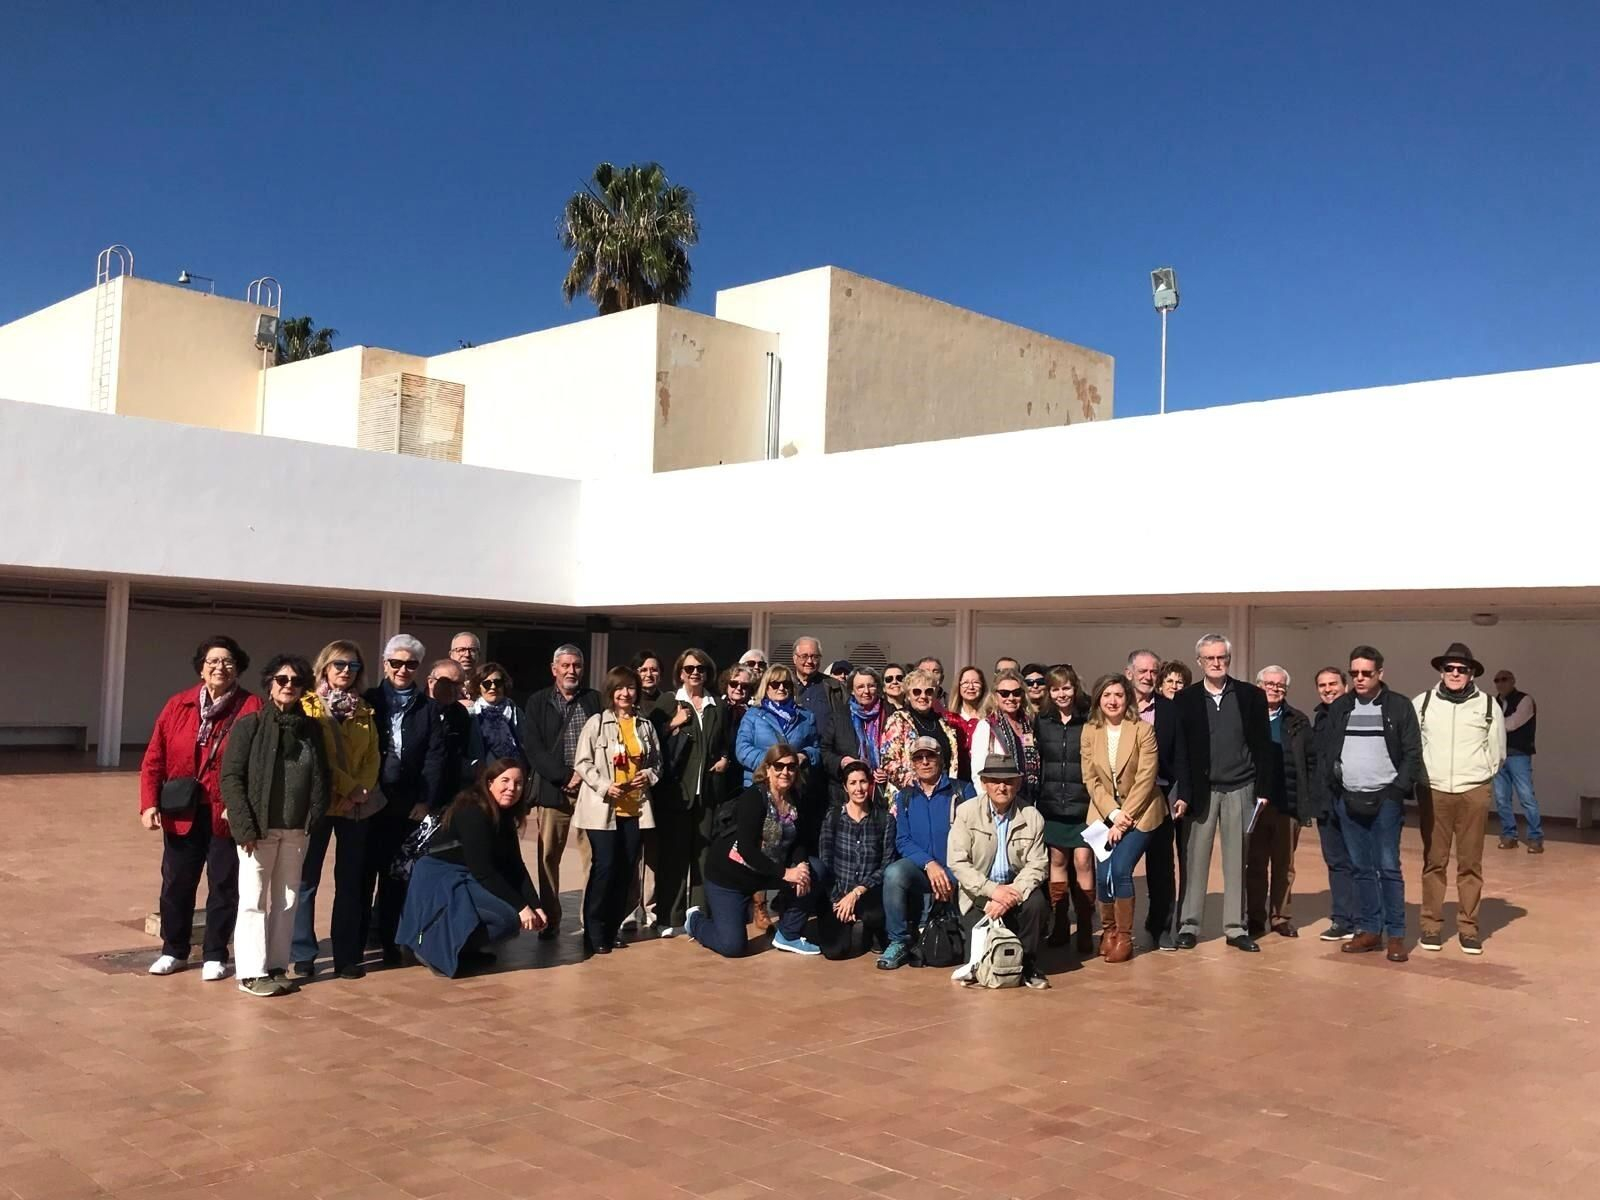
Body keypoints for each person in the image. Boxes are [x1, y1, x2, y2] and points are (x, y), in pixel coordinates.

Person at [140, 635, 262, 980]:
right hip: (182, 811)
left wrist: (242, 806)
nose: (219, 667)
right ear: (201, 668)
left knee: (223, 884)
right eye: (213, 661)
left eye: (227, 661)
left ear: (237, 667)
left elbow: (259, 764)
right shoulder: (178, 705)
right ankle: (173, 950)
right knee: (176, 882)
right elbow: (154, 757)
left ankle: (214, 954)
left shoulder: (252, 706)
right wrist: (149, 803)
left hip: (224, 813)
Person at [220, 655, 331, 997]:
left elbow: (322, 776)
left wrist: (314, 813)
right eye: (282, 680)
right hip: (258, 831)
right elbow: (231, 777)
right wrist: (244, 826)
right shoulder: (249, 726)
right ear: (270, 683)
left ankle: (277, 965)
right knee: (253, 899)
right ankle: (252, 972)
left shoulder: (311, 730)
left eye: (296, 681)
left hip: (296, 830)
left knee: (286, 900)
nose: (289, 686)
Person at [1317, 645, 1423, 963]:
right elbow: (1328, 751)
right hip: (1348, 799)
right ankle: (1369, 930)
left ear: (1380, 674)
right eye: (1355, 673)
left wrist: (1396, 790)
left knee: (1388, 868)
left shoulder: (1399, 706)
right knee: (1361, 869)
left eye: (1367, 673)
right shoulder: (1341, 708)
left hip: (1385, 802)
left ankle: (1396, 936)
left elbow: (1412, 753)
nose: (1360, 678)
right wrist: (1336, 786)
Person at [1173, 634, 1276, 953]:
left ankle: (1235, 927)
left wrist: (1263, 789)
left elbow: (1262, 745)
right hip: (1203, 790)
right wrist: (1184, 792)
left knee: (1237, 859)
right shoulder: (1186, 699)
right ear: (1200, 662)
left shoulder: (1251, 696)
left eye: (1222, 658)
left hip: (1240, 787)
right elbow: (1183, 752)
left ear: (1229, 660)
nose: (1217, 663)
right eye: (1210, 658)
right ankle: (1189, 925)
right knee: (1195, 858)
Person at [398, 758, 548, 977]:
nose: (511, 788)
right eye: (504, 781)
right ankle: (432, 946)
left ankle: (459, 950)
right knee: (507, 918)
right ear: (489, 783)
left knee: (506, 915)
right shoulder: (472, 809)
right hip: (440, 874)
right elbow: (484, 871)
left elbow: (515, 865)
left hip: (468, 873)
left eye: (518, 783)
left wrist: (536, 905)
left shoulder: (505, 814)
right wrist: (521, 907)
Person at [291, 641, 380, 981]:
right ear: (325, 667)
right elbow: (314, 757)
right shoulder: (308, 706)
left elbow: (373, 756)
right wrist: (348, 787)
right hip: (317, 803)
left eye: (353, 666)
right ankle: (302, 954)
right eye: (339, 664)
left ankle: (347, 956)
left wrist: (361, 790)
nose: (346, 671)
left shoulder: (364, 709)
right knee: (305, 881)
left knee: (351, 882)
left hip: (355, 807)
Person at [363, 635, 449, 966]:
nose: (403, 669)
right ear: (385, 665)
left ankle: (390, 942)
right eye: (396, 663)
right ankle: (356, 943)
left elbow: (434, 757)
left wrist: (426, 800)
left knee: (396, 876)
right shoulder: (369, 700)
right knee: (363, 873)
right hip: (371, 799)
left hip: (407, 803)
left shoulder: (427, 708)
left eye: (410, 664)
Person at [687, 743, 819, 957]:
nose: (785, 772)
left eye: (791, 767)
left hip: (765, 872)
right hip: (731, 877)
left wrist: (801, 865)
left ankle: (788, 934)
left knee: (815, 871)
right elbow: (747, 850)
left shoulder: (796, 798)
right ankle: (695, 921)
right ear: (768, 769)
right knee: (733, 946)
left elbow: (799, 840)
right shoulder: (754, 797)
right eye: (779, 766)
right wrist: (787, 873)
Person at [1415, 642, 1505, 956]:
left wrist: (1480, 777)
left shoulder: (1489, 706)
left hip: (1472, 791)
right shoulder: (1423, 703)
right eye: (1450, 668)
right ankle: (1431, 925)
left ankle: (1468, 928)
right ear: (1441, 671)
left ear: (1471, 674)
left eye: (1461, 669)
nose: (1455, 673)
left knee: (1470, 863)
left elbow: (1497, 751)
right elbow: (1414, 745)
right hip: (1434, 790)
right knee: (1434, 862)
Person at [575, 666, 662, 955]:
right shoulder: (597, 723)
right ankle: (594, 930)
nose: (626, 693)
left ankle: (611, 929)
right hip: (603, 810)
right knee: (605, 867)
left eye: (631, 688)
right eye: (620, 688)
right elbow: (583, 763)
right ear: (611, 692)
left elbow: (658, 764)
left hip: (635, 809)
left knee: (625, 872)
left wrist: (648, 775)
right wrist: (604, 786)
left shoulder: (645, 726)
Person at [946, 751, 1051, 989]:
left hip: (1015, 892)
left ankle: (1030, 964)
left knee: (1037, 903)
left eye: (1009, 781)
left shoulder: (1033, 817)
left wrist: (1009, 895)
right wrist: (993, 891)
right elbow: (958, 863)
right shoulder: (966, 812)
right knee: (977, 964)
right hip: (979, 894)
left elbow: (1038, 865)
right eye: (994, 781)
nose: (1002, 787)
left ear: (1018, 783)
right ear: (984, 783)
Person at [1080, 675, 1161, 964]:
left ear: (1127, 698)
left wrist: (1123, 820)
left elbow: (1146, 779)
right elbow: (1090, 778)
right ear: (1098, 700)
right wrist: (1112, 815)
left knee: (1122, 868)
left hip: (1141, 813)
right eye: (1106, 695)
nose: (1113, 701)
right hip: (1103, 813)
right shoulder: (1090, 731)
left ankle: (1125, 936)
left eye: (1118, 694)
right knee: (1103, 874)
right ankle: (1109, 931)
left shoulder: (1143, 730)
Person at [523, 644, 601, 939]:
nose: (571, 671)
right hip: (553, 791)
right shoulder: (538, 701)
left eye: (577, 666)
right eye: (565, 666)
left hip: (589, 792)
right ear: (554, 669)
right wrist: (564, 775)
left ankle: (589, 918)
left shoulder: (594, 699)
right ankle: (551, 919)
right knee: (548, 857)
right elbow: (533, 747)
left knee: (592, 857)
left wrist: (583, 776)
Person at [876, 737, 975, 969]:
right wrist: (929, 864)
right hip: (923, 869)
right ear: (913, 763)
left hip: (958, 870)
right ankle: (898, 940)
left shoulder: (962, 791)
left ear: (941, 759)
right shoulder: (906, 797)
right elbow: (903, 840)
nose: (925, 762)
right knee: (893, 874)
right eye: (919, 757)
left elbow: (975, 838)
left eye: (930, 756)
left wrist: (950, 874)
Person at [650, 648, 725, 938]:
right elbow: (650, 739)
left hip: (706, 794)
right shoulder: (669, 701)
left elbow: (723, 743)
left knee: (703, 857)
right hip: (676, 794)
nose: (696, 673)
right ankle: (669, 915)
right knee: (674, 856)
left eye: (702, 669)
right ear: (681, 672)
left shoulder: (715, 705)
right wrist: (673, 723)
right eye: (691, 668)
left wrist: (724, 759)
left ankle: (698, 916)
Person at [1125, 650, 1190, 951]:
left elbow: (1181, 756)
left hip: (1159, 796)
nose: (1148, 677)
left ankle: (1161, 925)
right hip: (1120, 798)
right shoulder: (1116, 705)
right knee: (1115, 864)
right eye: (1142, 671)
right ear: (1129, 673)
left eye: (1153, 672)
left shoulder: (1169, 710)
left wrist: (1183, 794)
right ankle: (1116, 929)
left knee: (1162, 866)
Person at [1246, 666, 1313, 939]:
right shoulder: (1247, 717)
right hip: (1255, 804)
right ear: (1259, 685)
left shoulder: (1298, 720)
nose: (1275, 689)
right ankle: (1254, 918)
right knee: (1256, 864)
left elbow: (1309, 761)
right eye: (1269, 684)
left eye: (1280, 686)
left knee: (1284, 866)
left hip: (1288, 803)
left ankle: (1281, 917)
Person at [1036, 665, 1095, 953]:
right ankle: (1061, 924)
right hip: (1051, 804)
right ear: (1049, 692)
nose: (1062, 694)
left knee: (1083, 863)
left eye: (1067, 688)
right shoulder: (1042, 720)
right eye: (1056, 688)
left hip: (1084, 805)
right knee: (1057, 863)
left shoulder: (1089, 719)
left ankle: (1085, 928)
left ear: (1075, 688)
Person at [814, 762, 897, 960]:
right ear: (845, 786)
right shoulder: (833, 817)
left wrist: (857, 892)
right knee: (835, 951)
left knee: (873, 915)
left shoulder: (884, 819)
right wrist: (838, 899)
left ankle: (873, 931)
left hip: (868, 892)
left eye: (863, 782)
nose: (858, 788)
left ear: (870, 784)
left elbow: (886, 864)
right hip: (838, 892)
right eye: (852, 783)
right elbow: (825, 860)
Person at [1309, 668, 1358, 941]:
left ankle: (1366, 920)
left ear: (1345, 685)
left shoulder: (1357, 713)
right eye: (1322, 685)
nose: (1328, 689)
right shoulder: (1320, 717)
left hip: (1353, 800)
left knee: (1360, 862)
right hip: (1326, 802)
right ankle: (1343, 920)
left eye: (1333, 684)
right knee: (1337, 861)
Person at [879, 668, 961, 808]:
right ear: (908, 695)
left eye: (928, 691)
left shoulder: (943, 723)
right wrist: (920, 784)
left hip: (943, 796)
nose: (923, 696)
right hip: (910, 798)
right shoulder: (898, 720)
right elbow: (888, 762)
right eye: (917, 691)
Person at [967, 668, 1040, 807]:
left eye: (1016, 693)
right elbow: (978, 772)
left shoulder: (1029, 726)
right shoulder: (987, 726)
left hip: (1028, 800)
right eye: (1005, 694)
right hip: (998, 802)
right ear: (995, 696)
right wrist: (988, 804)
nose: (1011, 698)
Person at [1491, 669, 1544, 852]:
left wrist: (1492, 726)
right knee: (1501, 798)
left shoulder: (1525, 700)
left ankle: (1535, 837)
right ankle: (1509, 835)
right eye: (1497, 680)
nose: (1500, 683)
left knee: (1526, 797)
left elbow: (1512, 723)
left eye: (1504, 679)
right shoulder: (1494, 702)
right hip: (1499, 756)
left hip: (1519, 755)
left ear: (1513, 681)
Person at [467, 663, 528, 772]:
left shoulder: (516, 713)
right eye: (486, 684)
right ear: (478, 687)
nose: (493, 687)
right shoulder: (471, 715)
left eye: (498, 683)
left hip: (514, 772)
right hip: (482, 774)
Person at [426, 659, 472, 793]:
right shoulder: (416, 709)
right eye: (446, 682)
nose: (453, 688)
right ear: (431, 682)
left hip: (448, 791)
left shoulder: (461, 713)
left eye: (458, 684)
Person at [842, 666, 890, 793]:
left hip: (882, 790)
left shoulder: (890, 713)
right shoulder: (840, 716)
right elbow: (826, 750)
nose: (866, 691)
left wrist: (888, 771)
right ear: (852, 690)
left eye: (871, 686)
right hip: (851, 790)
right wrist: (841, 761)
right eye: (860, 687)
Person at [945, 666, 987, 781]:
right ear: (958, 687)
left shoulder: (990, 719)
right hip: (957, 779)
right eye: (965, 683)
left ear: (982, 686)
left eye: (976, 682)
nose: (971, 687)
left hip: (983, 779)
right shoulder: (949, 719)